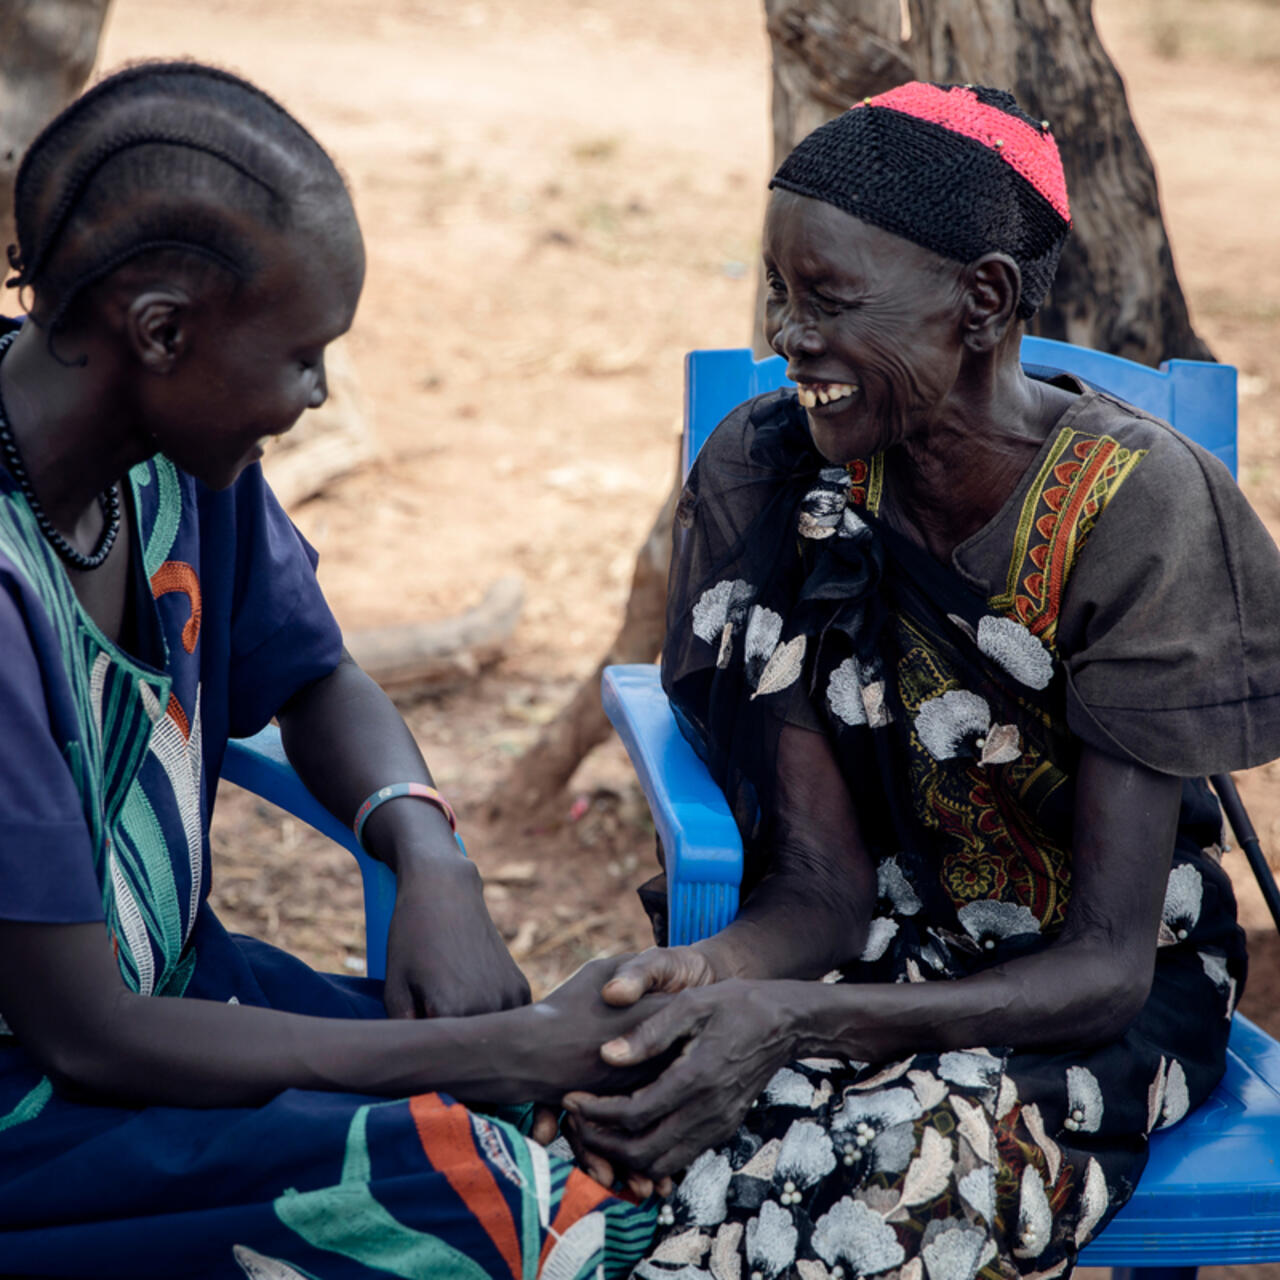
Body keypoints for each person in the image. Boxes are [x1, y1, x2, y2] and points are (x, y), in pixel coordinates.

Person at [562, 83, 1280, 1279]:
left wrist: (789, 1018)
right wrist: (704, 975)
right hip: (871, 952)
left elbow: (1101, 968)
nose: (790, 335)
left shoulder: (1138, 512)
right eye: (781, 293)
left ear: (982, 299)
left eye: (830, 299)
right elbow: (821, 894)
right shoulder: (776, 473)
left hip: (1093, 1000)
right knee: (615, 1142)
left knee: (856, 1202)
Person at [0, 61, 667, 1278]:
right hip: (45, 1112)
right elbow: (81, 1032)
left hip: (180, 1012)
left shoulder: (161, 462)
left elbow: (314, 675)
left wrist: (429, 851)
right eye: (305, 357)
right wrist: (496, 1052)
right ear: (159, 330)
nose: (315, 397)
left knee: (610, 1109)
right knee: (525, 1205)